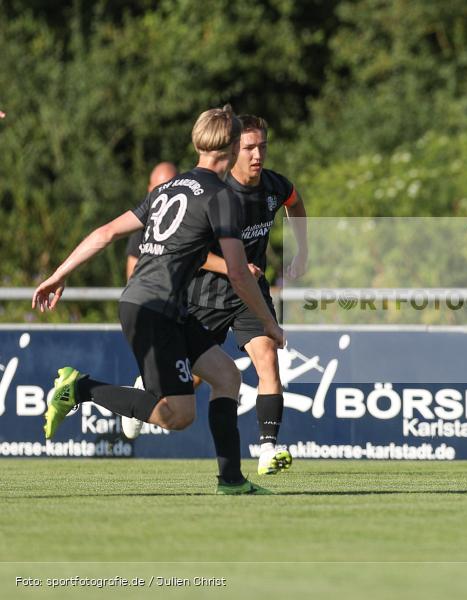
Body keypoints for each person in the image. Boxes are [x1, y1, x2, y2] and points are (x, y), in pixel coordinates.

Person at [32, 105, 286, 495]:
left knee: (227, 376)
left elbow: (104, 233)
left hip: (157, 304)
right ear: (234, 146)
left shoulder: (170, 187)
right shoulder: (221, 197)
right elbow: (239, 272)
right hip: (155, 308)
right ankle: (80, 389)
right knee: (176, 414)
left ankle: (232, 481)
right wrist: (268, 322)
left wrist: (57, 274)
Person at [123, 114, 307, 477]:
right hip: (204, 296)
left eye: (262, 147)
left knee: (267, 358)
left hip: (248, 296)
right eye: (249, 147)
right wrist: (232, 268)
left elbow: (295, 203)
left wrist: (303, 251)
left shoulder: (274, 186)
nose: (257, 155)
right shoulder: (215, 194)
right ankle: (143, 394)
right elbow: (190, 251)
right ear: (232, 149)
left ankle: (268, 450)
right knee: (192, 376)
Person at [125, 162, 178, 279]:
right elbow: (132, 269)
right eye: (159, 189)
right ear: (150, 190)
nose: (164, 196)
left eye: (170, 189)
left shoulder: (189, 216)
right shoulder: (143, 221)